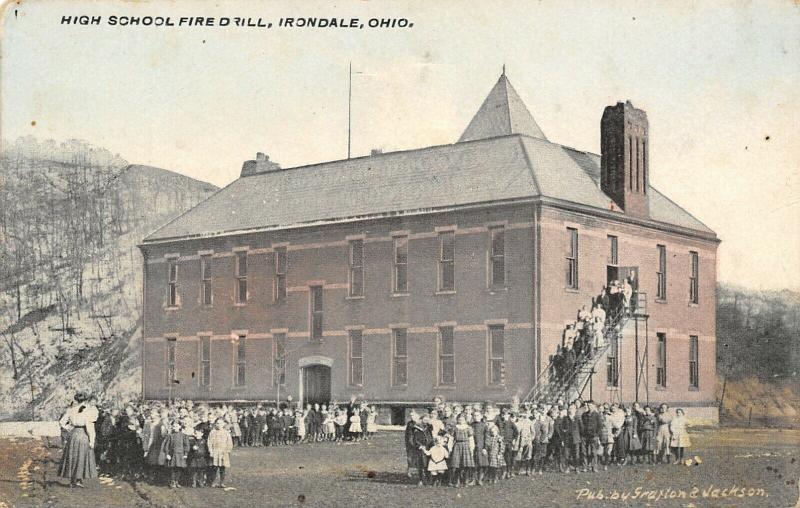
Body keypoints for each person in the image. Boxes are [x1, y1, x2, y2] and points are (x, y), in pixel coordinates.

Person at [58, 392, 98, 488]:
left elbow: (61, 422)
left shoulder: (71, 410)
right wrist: (92, 440)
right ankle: (79, 480)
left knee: (73, 456)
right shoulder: (87, 411)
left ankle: (72, 480)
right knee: (81, 456)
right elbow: (90, 427)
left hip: (73, 434)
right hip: (83, 434)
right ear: (85, 400)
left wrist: (69, 428)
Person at [161, 421, 190, 488]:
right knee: (173, 468)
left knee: (179, 468)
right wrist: (167, 454)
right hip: (173, 454)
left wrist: (185, 454)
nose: (174, 428)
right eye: (173, 426)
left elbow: (186, 445)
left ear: (180, 426)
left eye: (176, 426)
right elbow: (167, 446)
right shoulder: (170, 436)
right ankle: (172, 481)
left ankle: (177, 481)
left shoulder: (184, 436)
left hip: (180, 455)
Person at [448, 415, 475, 487]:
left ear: (465, 420)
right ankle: (457, 481)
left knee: (466, 465)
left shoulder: (468, 428)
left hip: (466, 446)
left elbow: (471, 439)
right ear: (457, 420)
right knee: (456, 465)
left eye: (462, 419)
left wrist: (472, 448)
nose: (461, 421)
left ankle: (465, 481)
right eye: (459, 419)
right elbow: (451, 439)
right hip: (457, 446)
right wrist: (450, 448)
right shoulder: (454, 428)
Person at [207, 418, 233, 488]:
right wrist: (211, 451)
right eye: (217, 423)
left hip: (223, 452)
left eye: (221, 423)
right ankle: (213, 482)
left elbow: (229, 443)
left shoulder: (226, 433)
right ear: (215, 424)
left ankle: (222, 482)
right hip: (215, 452)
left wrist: (227, 451)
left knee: (222, 468)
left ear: (224, 424)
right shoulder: (212, 432)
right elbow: (209, 442)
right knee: (214, 468)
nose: (219, 425)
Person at [580, 402, 603, 472]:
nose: (589, 407)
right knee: (584, 452)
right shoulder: (584, 415)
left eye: (590, 405)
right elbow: (582, 425)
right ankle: (585, 467)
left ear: (594, 406)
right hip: (585, 436)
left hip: (593, 436)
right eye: (588, 405)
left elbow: (600, 426)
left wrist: (596, 435)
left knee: (594, 452)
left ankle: (594, 467)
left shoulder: (597, 415)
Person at [471, 411, 489, 485]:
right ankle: (473, 480)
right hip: (473, 447)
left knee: (481, 463)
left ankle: (480, 479)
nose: (476, 417)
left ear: (481, 416)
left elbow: (486, 437)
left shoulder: (484, 425)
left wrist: (485, 448)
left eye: (477, 415)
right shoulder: (471, 425)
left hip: (481, 447)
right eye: (474, 415)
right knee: (473, 464)